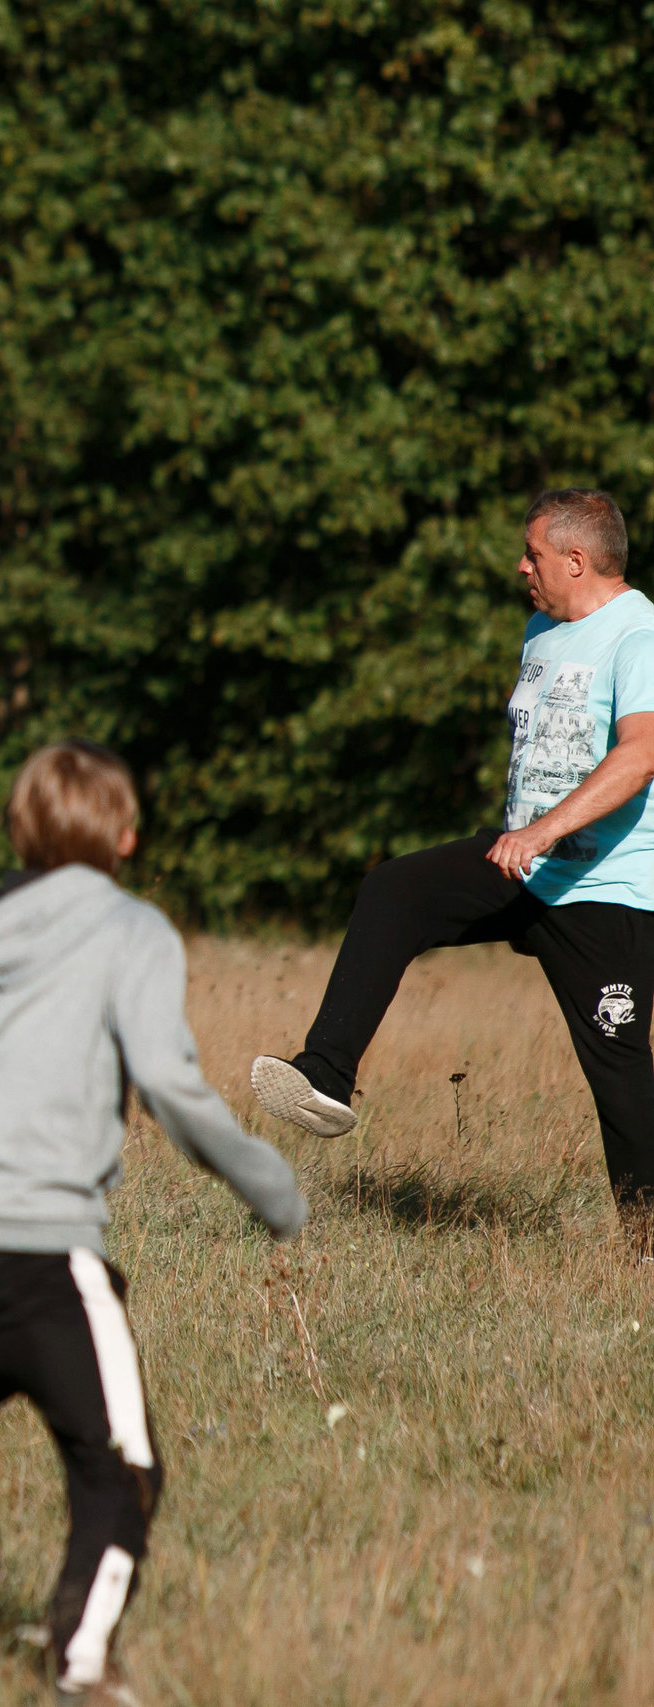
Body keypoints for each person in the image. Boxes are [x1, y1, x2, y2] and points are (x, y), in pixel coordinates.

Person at [0, 741, 306, 1702]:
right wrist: (270, 1184)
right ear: (125, 835)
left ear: (19, 829)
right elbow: (166, 1078)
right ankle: (80, 1666)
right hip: (43, 1249)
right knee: (122, 1465)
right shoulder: (132, 929)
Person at [250, 489, 654, 1254]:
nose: (522, 566)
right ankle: (325, 1075)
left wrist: (544, 830)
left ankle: (647, 1245)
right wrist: (524, 834)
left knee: (620, 1071)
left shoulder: (640, 637)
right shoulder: (542, 630)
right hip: (520, 864)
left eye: (533, 553)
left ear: (577, 559)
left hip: (605, 888)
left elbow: (641, 755)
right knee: (394, 890)